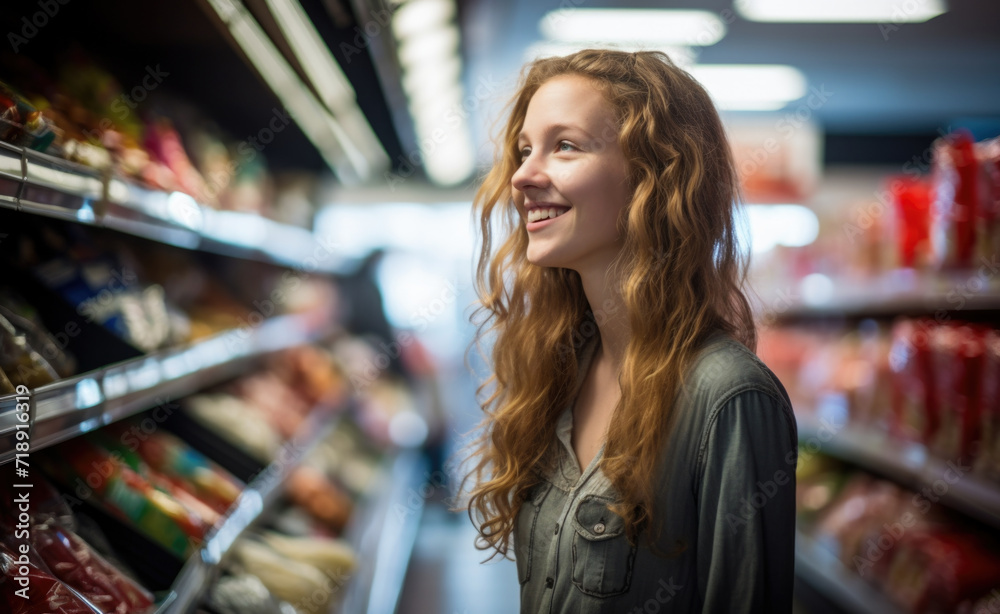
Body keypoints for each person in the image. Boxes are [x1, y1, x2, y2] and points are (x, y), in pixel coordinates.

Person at [456, 49, 799, 613]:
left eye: (565, 145)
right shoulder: (561, 370)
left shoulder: (728, 398)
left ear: (653, 176)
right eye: (524, 150)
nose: (522, 176)